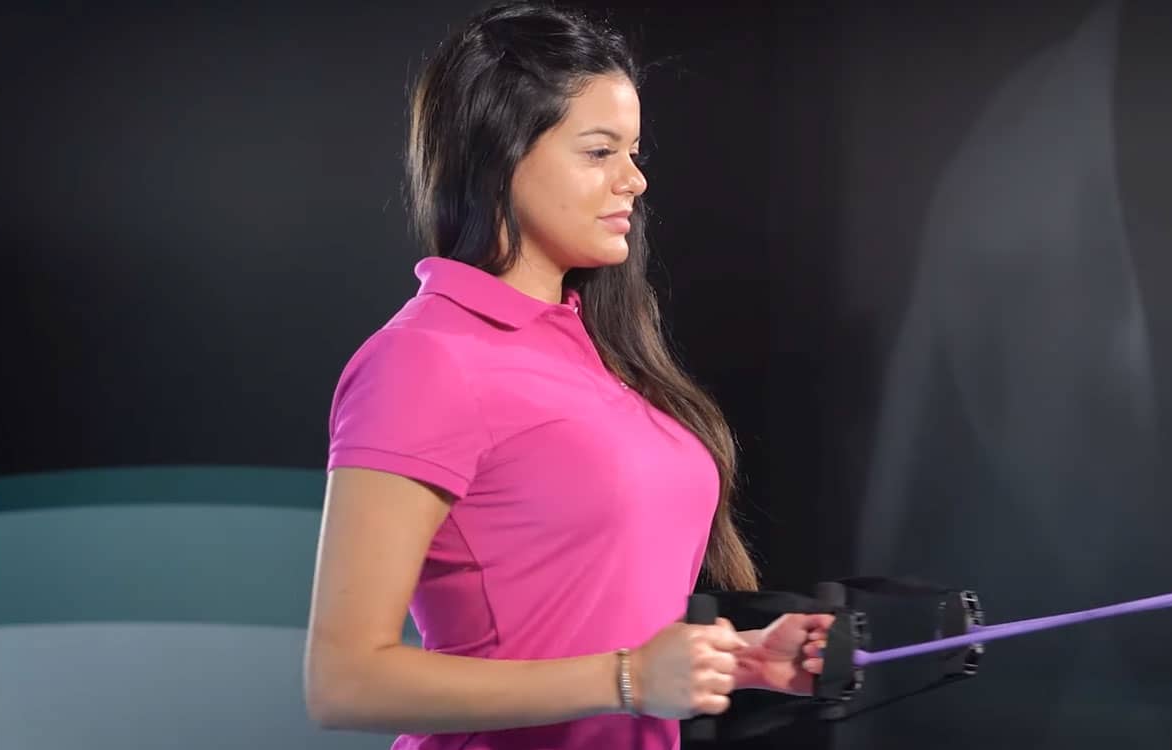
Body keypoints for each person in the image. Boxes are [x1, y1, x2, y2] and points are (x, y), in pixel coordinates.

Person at [302, 3, 833, 749]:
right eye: (598, 152)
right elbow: (344, 681)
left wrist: (732, 662)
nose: (635, 181)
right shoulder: (422, 361)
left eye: (635, 151)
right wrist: (628, 678)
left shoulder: (598, 347)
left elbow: (592, 611)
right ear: (499, 154)